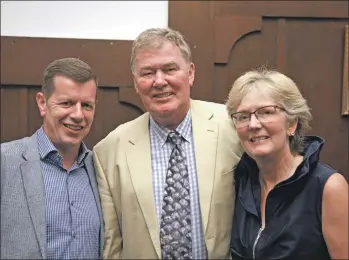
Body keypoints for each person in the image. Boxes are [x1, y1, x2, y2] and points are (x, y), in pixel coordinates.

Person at [93, 27, 243, 259]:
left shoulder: (234, 126)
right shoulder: (109, 150)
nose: (159, 81)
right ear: (135, 82)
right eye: (148, 73)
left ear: (190, 73)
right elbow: (112, 244)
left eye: (170, 69)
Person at [226, 68, 348, 260]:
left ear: (292, 124)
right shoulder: (243, 182)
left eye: (266, 112)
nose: (253, 124)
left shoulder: (327, 187)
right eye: (242, 116)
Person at [1, 58, 104, 259]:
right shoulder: (5, 162)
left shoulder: (101, 169)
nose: (77, 114)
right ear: (42, 103)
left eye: (87, 105)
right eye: (67, 103)